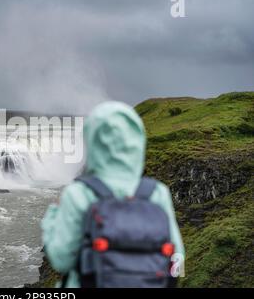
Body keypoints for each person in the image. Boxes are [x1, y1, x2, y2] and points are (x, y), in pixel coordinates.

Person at [41, 101, 184, 287]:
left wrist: (51, 216)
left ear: (92, 140)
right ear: (138, 141)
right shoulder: (157, 193)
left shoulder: (79, 193)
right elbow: (178, 258)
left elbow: (61, 260)